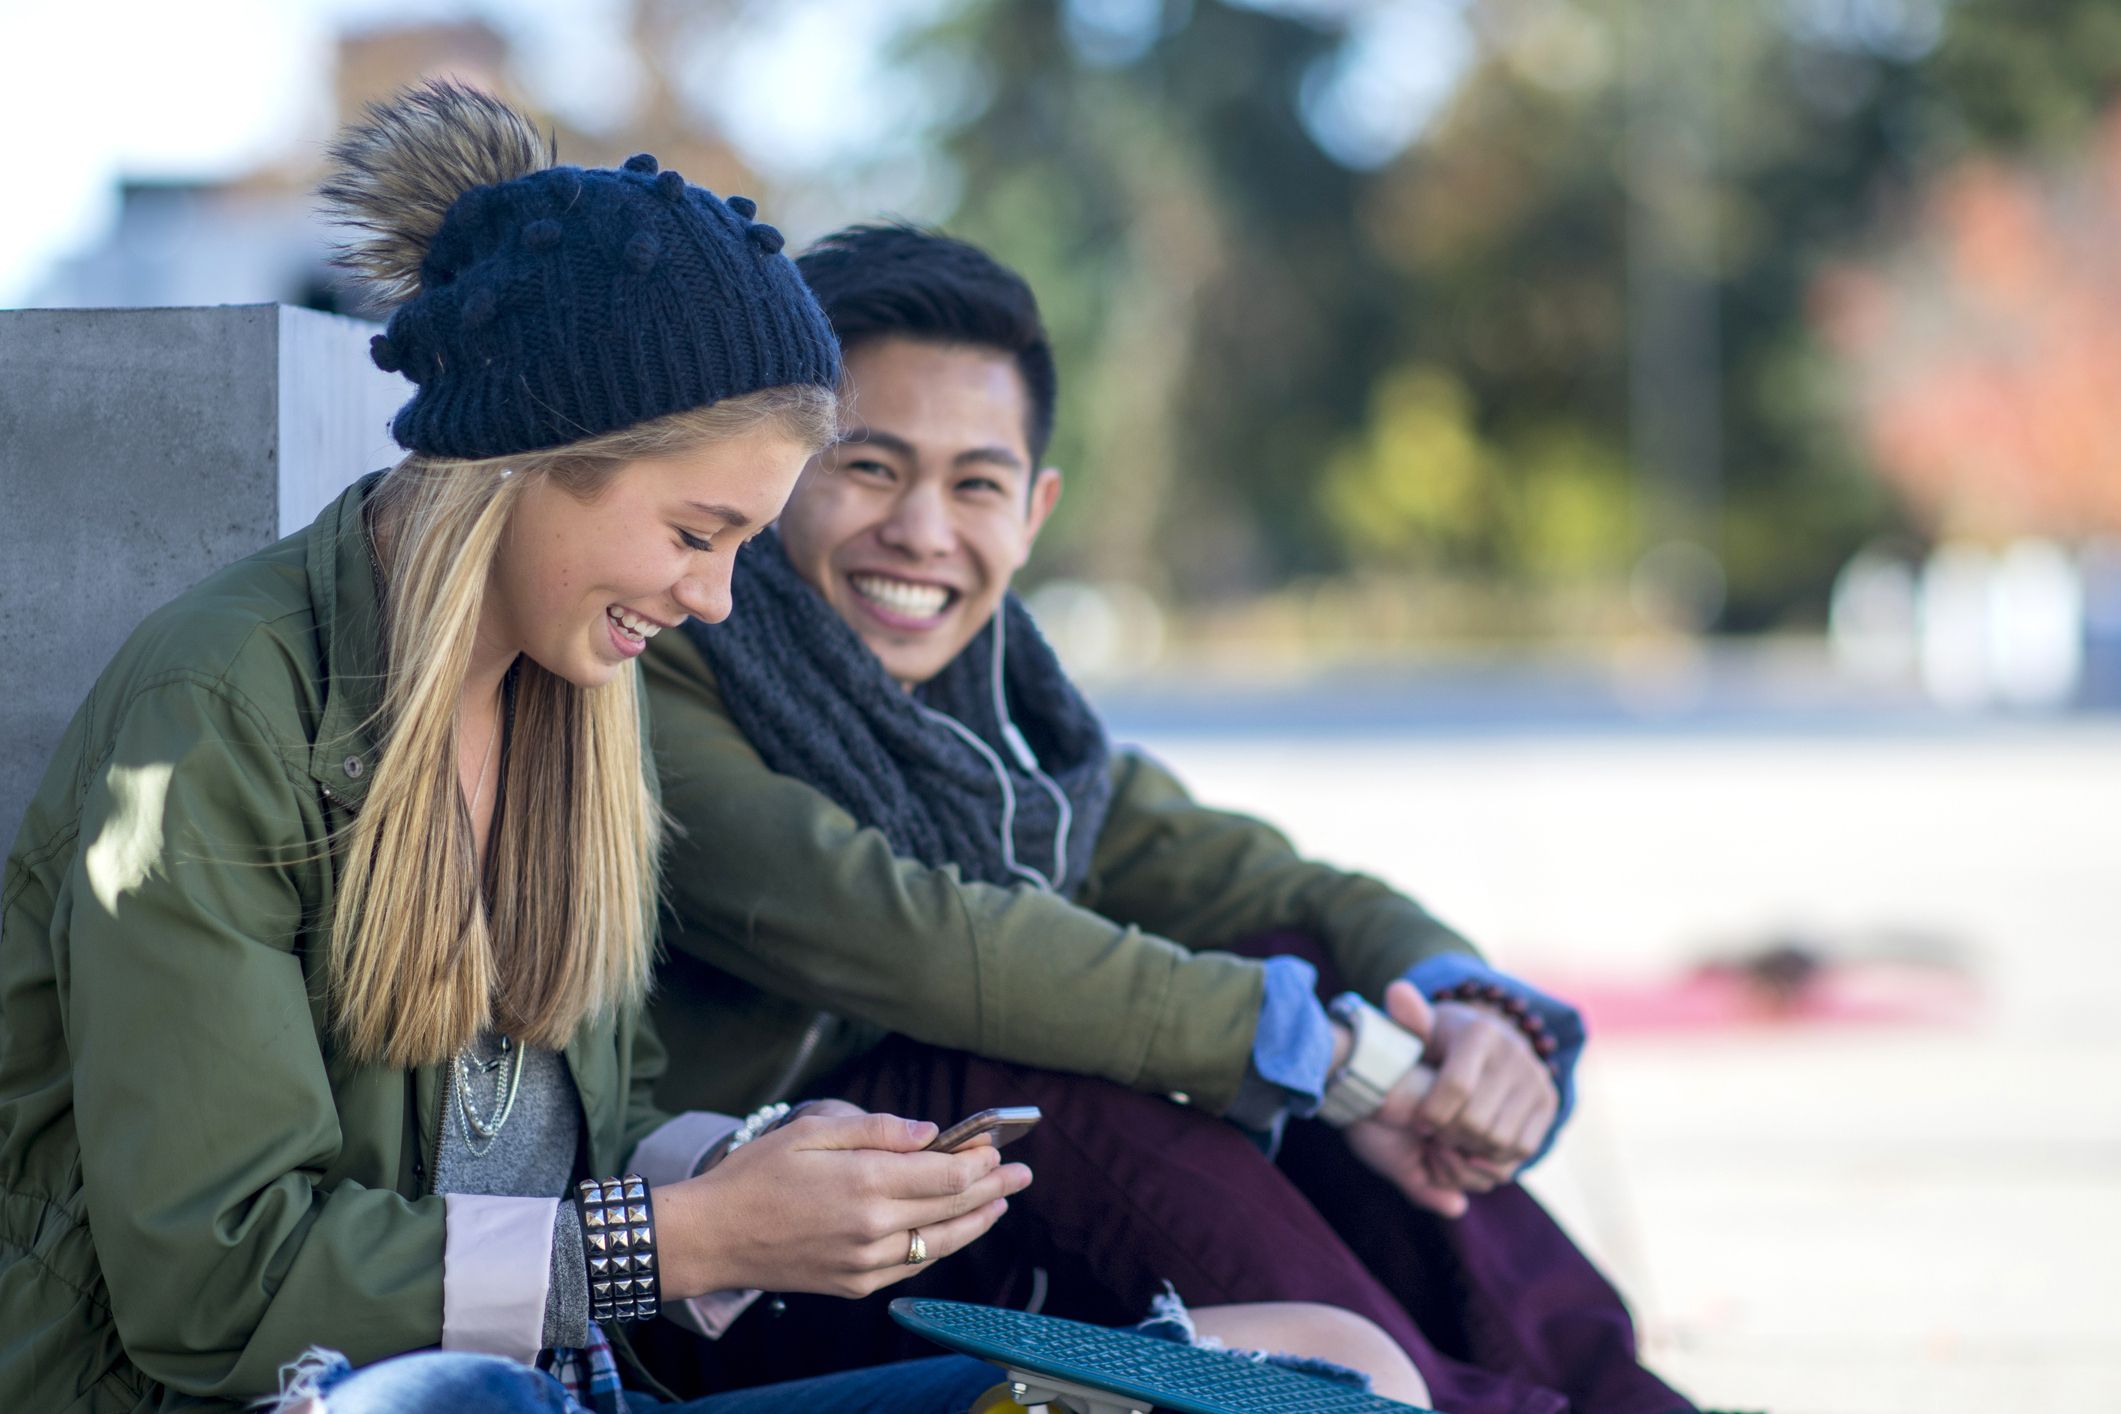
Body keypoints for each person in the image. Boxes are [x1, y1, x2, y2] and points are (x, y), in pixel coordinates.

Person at [0, 88, 1423, 1414]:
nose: (716, 597)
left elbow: (587, 1136)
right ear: (527, 462)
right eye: (695, 532)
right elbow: (212, 1280)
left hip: (596, 1388)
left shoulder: (578, 700)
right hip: (307, 1392)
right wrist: (676, 1236)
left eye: (743, 541)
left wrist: (754, 1174)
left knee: (1323, 1368)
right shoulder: (219, 710)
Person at [638, 226, 1694, 1414]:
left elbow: (1282, 890)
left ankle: (1624, 1398)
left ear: (1033, 512)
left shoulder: (1007, 725)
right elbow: (916, 939)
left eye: (974, 483)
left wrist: (1458, 1013)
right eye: (870, 468)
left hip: (938, 1235)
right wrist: (1328, 1058)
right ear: (775, 472)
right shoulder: (669, 664)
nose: (924, 531)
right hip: (733, 1282)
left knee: (1291, 965)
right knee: (1030, 1049)